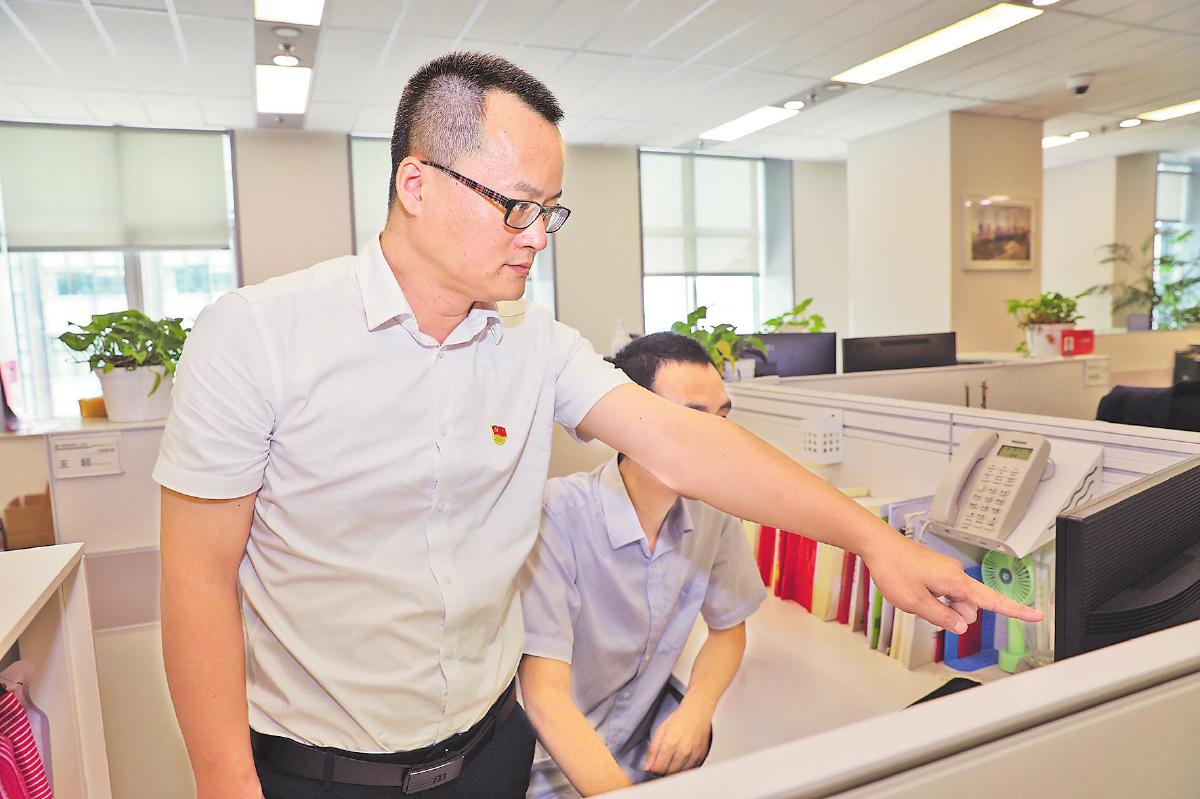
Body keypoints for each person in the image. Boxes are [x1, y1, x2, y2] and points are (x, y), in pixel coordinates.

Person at [156, 51, 1041, 799]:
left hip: (490, 751)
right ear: (415, 184)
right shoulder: (259, 334)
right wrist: (226, 785)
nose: (537, 235)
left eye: (550, 209)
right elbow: (197, 579)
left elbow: (683, 442)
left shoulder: (532, 341)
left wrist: (872, 540)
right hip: (321, 771)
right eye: (516, 205)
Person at [520, 333, 766, 797]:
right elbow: (545, 697)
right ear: (627, 427)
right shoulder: (558, 516)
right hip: (549, 768)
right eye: (693, 419)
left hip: (638, 754)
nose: (718, 440)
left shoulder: (712, 512)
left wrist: (698, 707)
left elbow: (729, 629)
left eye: (723, 418)